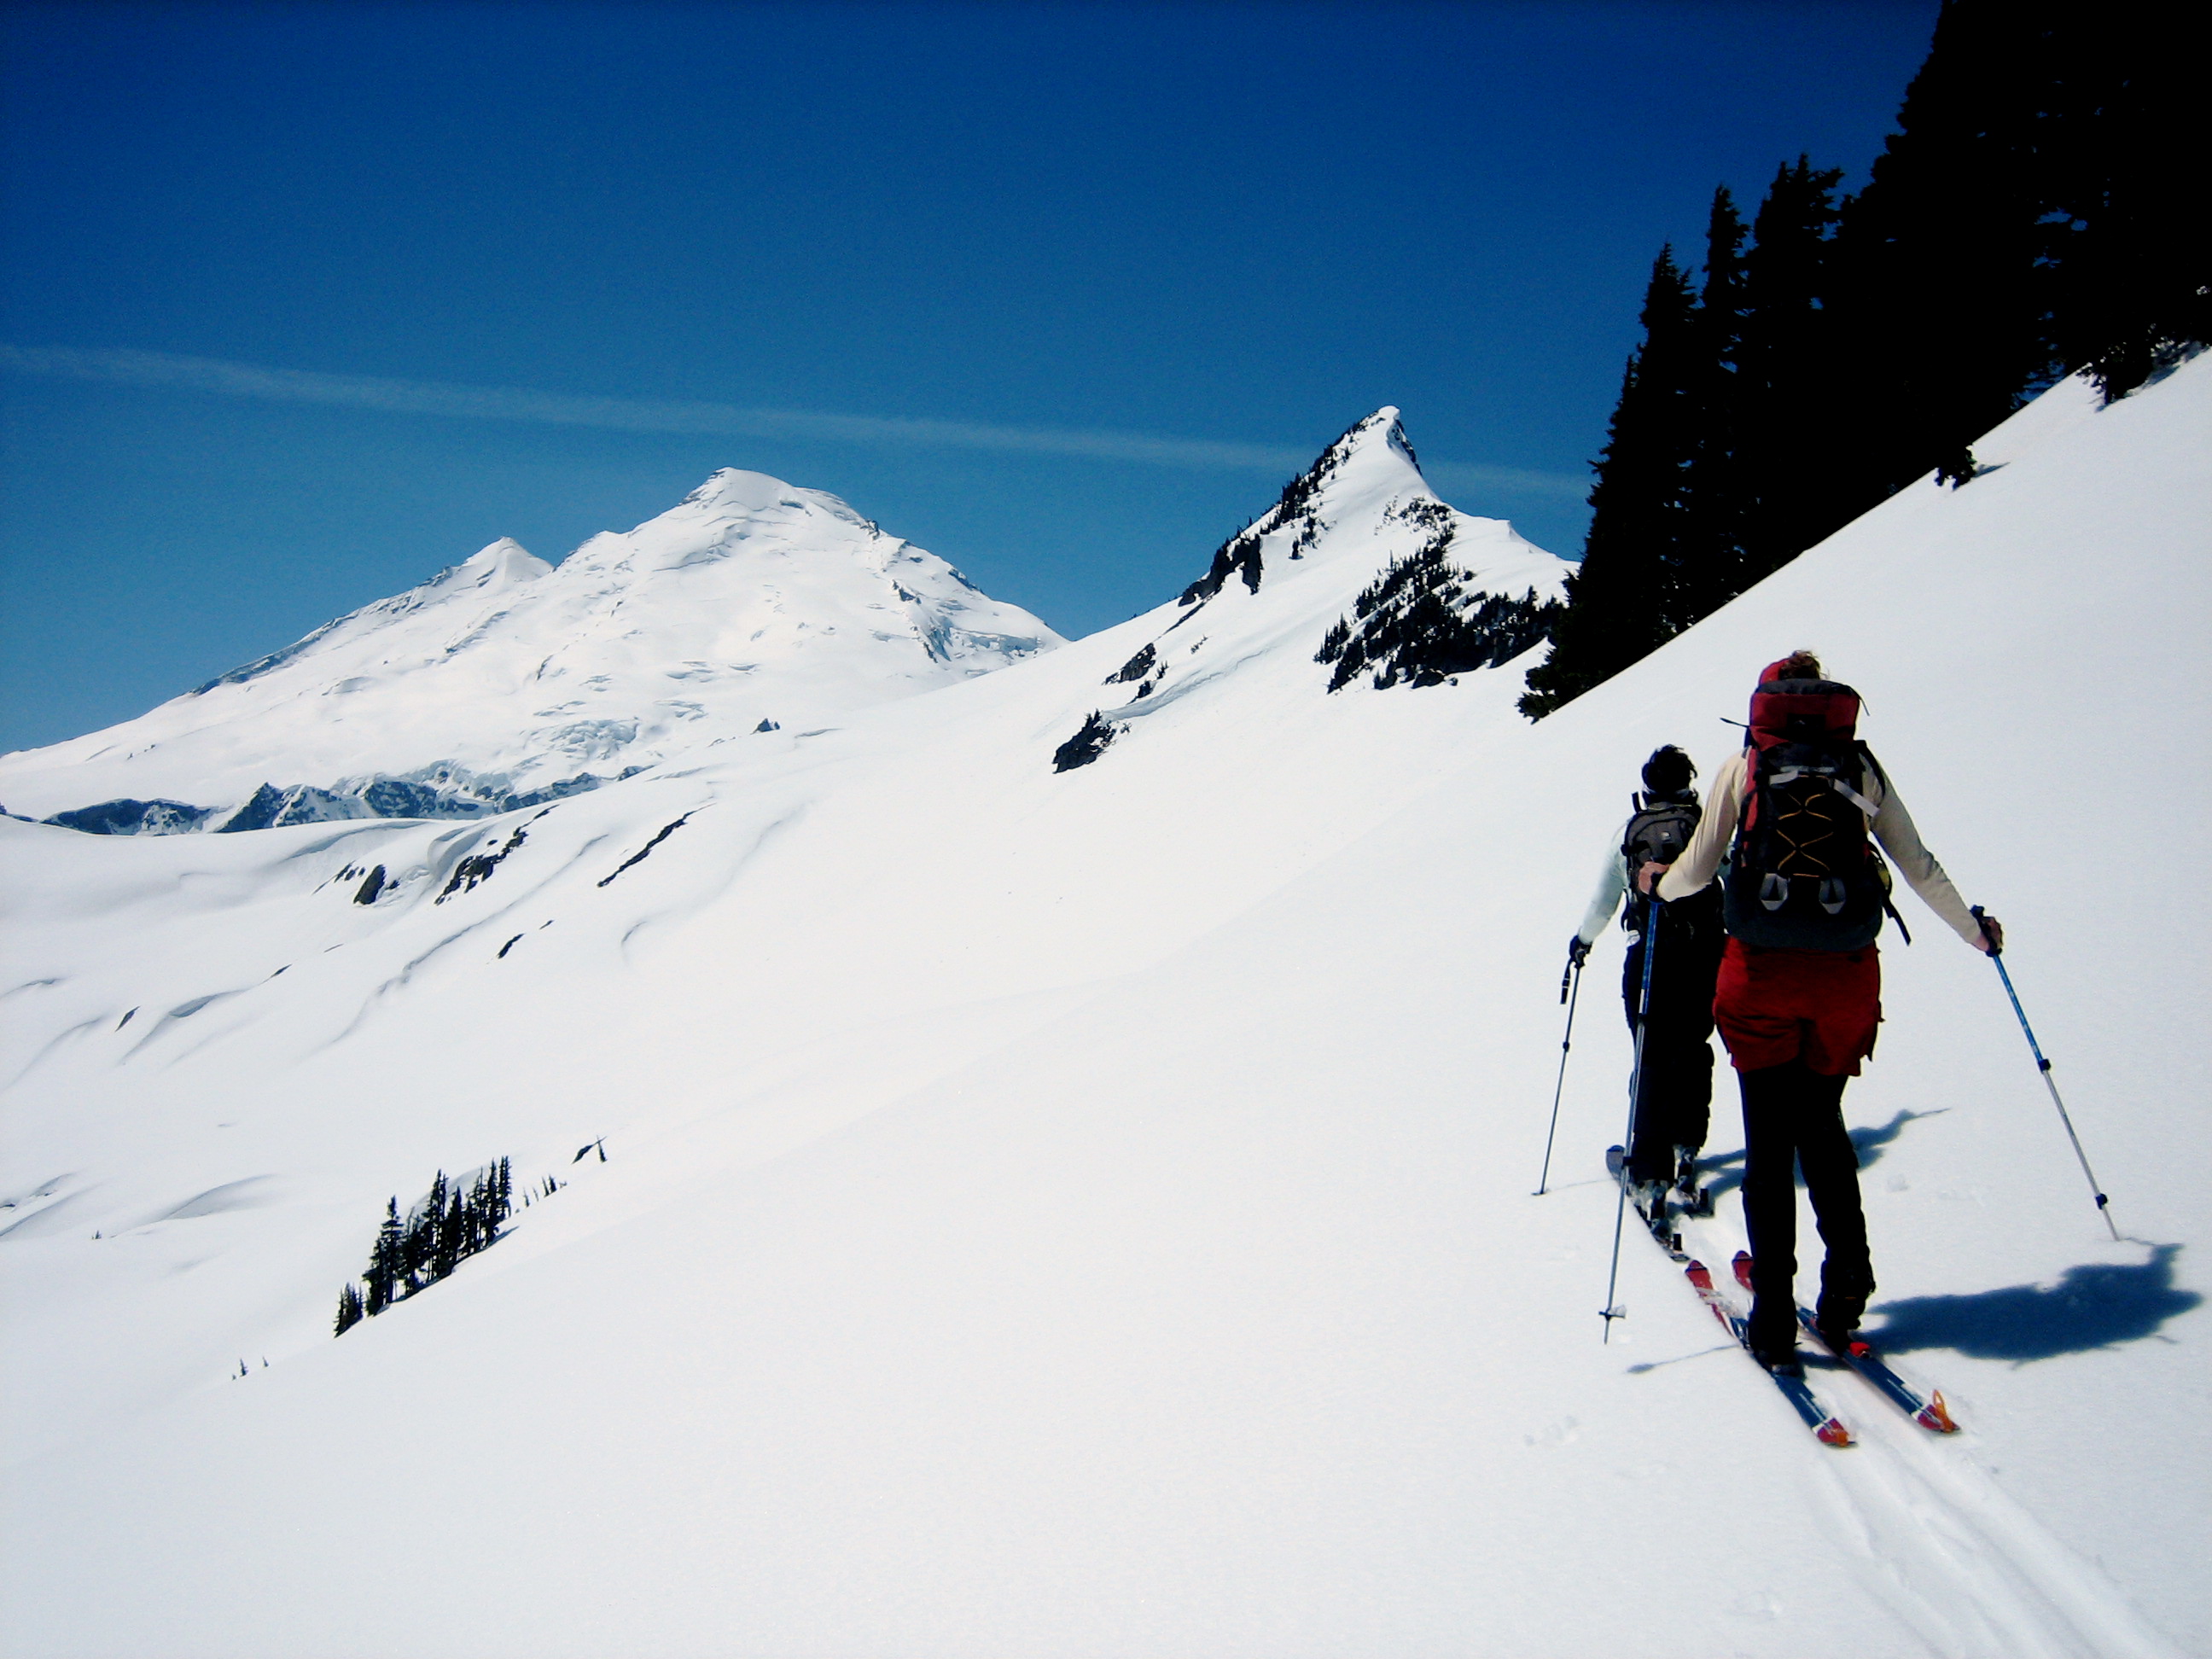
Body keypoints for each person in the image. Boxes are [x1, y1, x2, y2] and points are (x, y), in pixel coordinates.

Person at [1648, 651, 2000, 1374]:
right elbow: (1917, 864)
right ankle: (1846, 1286)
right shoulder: (1857, 768)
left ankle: (1774, 1316)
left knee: (1768, 1146)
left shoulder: (1745, 768)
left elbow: (1697, 870)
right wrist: (1974, 929)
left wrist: (1656, 885)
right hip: (1844, 981)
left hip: (1758, 979)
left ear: (1766, 704)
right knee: (1823, 1126)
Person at [1568, 744, 1726, 1230]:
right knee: (1694, 1047)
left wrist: (1582, 942)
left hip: (1651, 955)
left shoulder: (1628, 835)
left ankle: (1650, 1174)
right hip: (1706, 953)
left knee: (1652, 1055)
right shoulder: (1707, 828)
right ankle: (1687, 1145)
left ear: (1647, 786)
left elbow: (1604, 900)